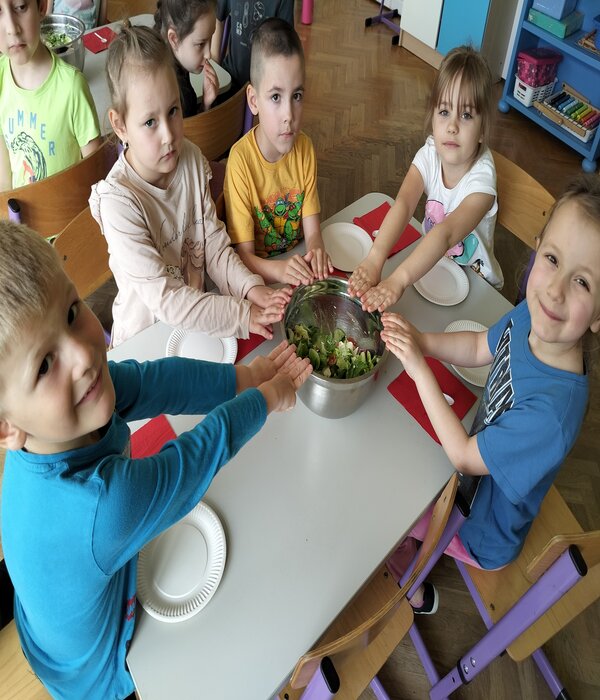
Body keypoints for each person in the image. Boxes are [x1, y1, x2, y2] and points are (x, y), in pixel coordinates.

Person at [0, 219, 312, 699]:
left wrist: (244, 378)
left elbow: (154, 381)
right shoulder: (103, 505)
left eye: (71, 312)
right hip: (96, 674)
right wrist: (266, 399)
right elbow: (190, 462)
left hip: (50, 617)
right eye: (44, 364)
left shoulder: (57, 414)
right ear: (7, 428)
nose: (82, 355)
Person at [381, 175, 600, 613]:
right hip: (467, 475)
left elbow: (464, 456)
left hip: (479, 529)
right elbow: (481, 345)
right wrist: (423, 342)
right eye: (553, 259)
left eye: (583, 282)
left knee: (386, 505)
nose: (555, 289)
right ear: (537, 249)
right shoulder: (532, 316)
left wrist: (419, 368)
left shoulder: (552, 416)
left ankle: (412, 587)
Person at [89, 25, 290, 348]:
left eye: (173, 111)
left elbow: (214, 247)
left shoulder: (191, 159)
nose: (169, 135)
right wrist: (242, 314)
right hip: (144, 346)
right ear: (120, 125)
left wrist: (250, 288)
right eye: (150, 122)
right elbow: (167, 299)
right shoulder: (118, 202)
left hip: (198, 327)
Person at [348, 45, 502, 313]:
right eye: (444, 112)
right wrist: (375, 258)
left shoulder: (483, 179)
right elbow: (403, 205)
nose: (452, 126)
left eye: (466, 115)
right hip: (432, 266)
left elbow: (445, 234)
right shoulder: (430, 153)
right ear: (432, 117)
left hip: (478, 285)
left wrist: (397, 280)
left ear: (482, 130)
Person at [224, 17, 332, 286]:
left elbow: (313, 233)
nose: (289, 115)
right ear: (253, 100)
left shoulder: (305, 149)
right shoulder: (240, 162)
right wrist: (280, 271)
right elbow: (243, 257)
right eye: (275, 97)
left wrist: (317, 250)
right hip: (262, 281)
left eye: (297, 96)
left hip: (297, 270)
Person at [0, 0, 102, 190]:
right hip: (18, 208)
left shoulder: (72, 87)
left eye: (21, 7)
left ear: (41, 7)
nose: (12, 29)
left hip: (69, 207)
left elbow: (96, 177)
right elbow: (4, 179)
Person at [212, 0, 294, 94]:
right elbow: (218, 17)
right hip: (231, 78)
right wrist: (214, 63)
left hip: (265, 85)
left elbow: (286, 41)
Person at [154, 0, 220, 118]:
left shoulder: (170, 57)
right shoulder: (180, 94)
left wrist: (205, 104)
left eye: (211, 38)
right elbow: (191, 128)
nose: (208, 54)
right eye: (201, 44)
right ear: (174, 39)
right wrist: (205, 108)